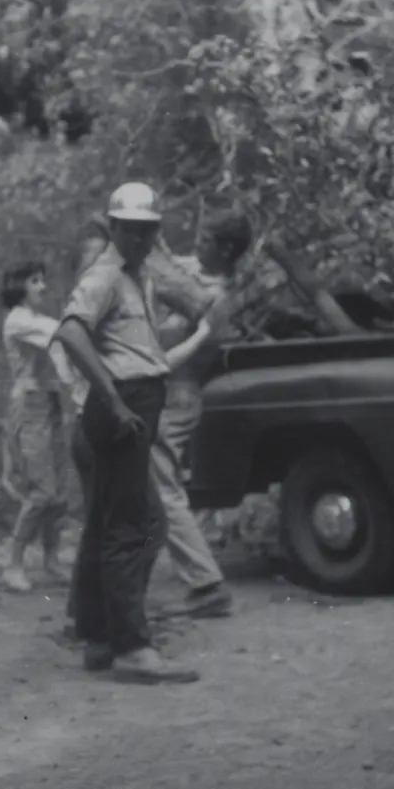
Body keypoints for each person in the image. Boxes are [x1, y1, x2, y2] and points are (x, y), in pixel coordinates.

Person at [54, 182, 198, 684]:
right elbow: (70, 330)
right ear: (113, 228)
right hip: (122, 402)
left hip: (134, 398)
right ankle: (132, 646)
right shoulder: (107, 274)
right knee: (131, 525)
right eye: (130, 230)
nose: (139, 239)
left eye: (147, 231)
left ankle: (99, 637)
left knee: (107, 522)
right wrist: (112, 398)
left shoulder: (138, 278)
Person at [146, 212, 252, 619]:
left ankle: (206, 584)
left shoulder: (217, 297)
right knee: (153, 487)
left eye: (205, 240)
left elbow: (176, 332)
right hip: (162, 392)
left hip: (178, 392)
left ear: (225, 250)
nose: (197, 246)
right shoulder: (194, 273)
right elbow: (167, 260)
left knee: (163, 489)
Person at [0, 260, 76, 593]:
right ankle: (13, 563)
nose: (42, 288)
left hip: (50, 402)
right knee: (41, 491)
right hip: (29, 406)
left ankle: (51, 559)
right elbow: (58, 334)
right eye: (34, 281)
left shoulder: (36, 320)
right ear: (19, 286)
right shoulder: (18, 320)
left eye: (42, 281)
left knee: (59, 491)